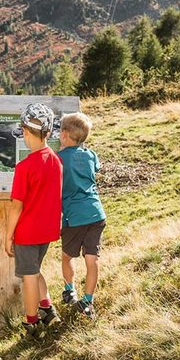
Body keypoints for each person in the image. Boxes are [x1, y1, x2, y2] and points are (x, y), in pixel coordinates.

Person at [5, 103, 63, 338]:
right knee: (35, 270)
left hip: (27, 233)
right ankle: (47, 308)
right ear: (48, 133)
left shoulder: (24, 166)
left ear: (25, 132)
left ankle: (32, 324)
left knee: (28, 277)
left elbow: (16, 205)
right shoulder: (56, 161)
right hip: (46, 231)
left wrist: (8, 235)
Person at [58, 112, 105, 318]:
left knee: (68, 256)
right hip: (96, 213)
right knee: (92, 258)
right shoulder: (91, 154)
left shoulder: (59, 159)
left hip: (74, 216)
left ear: (65, 134)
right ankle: (87, 301)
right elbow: (95, 168)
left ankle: (70, 289)